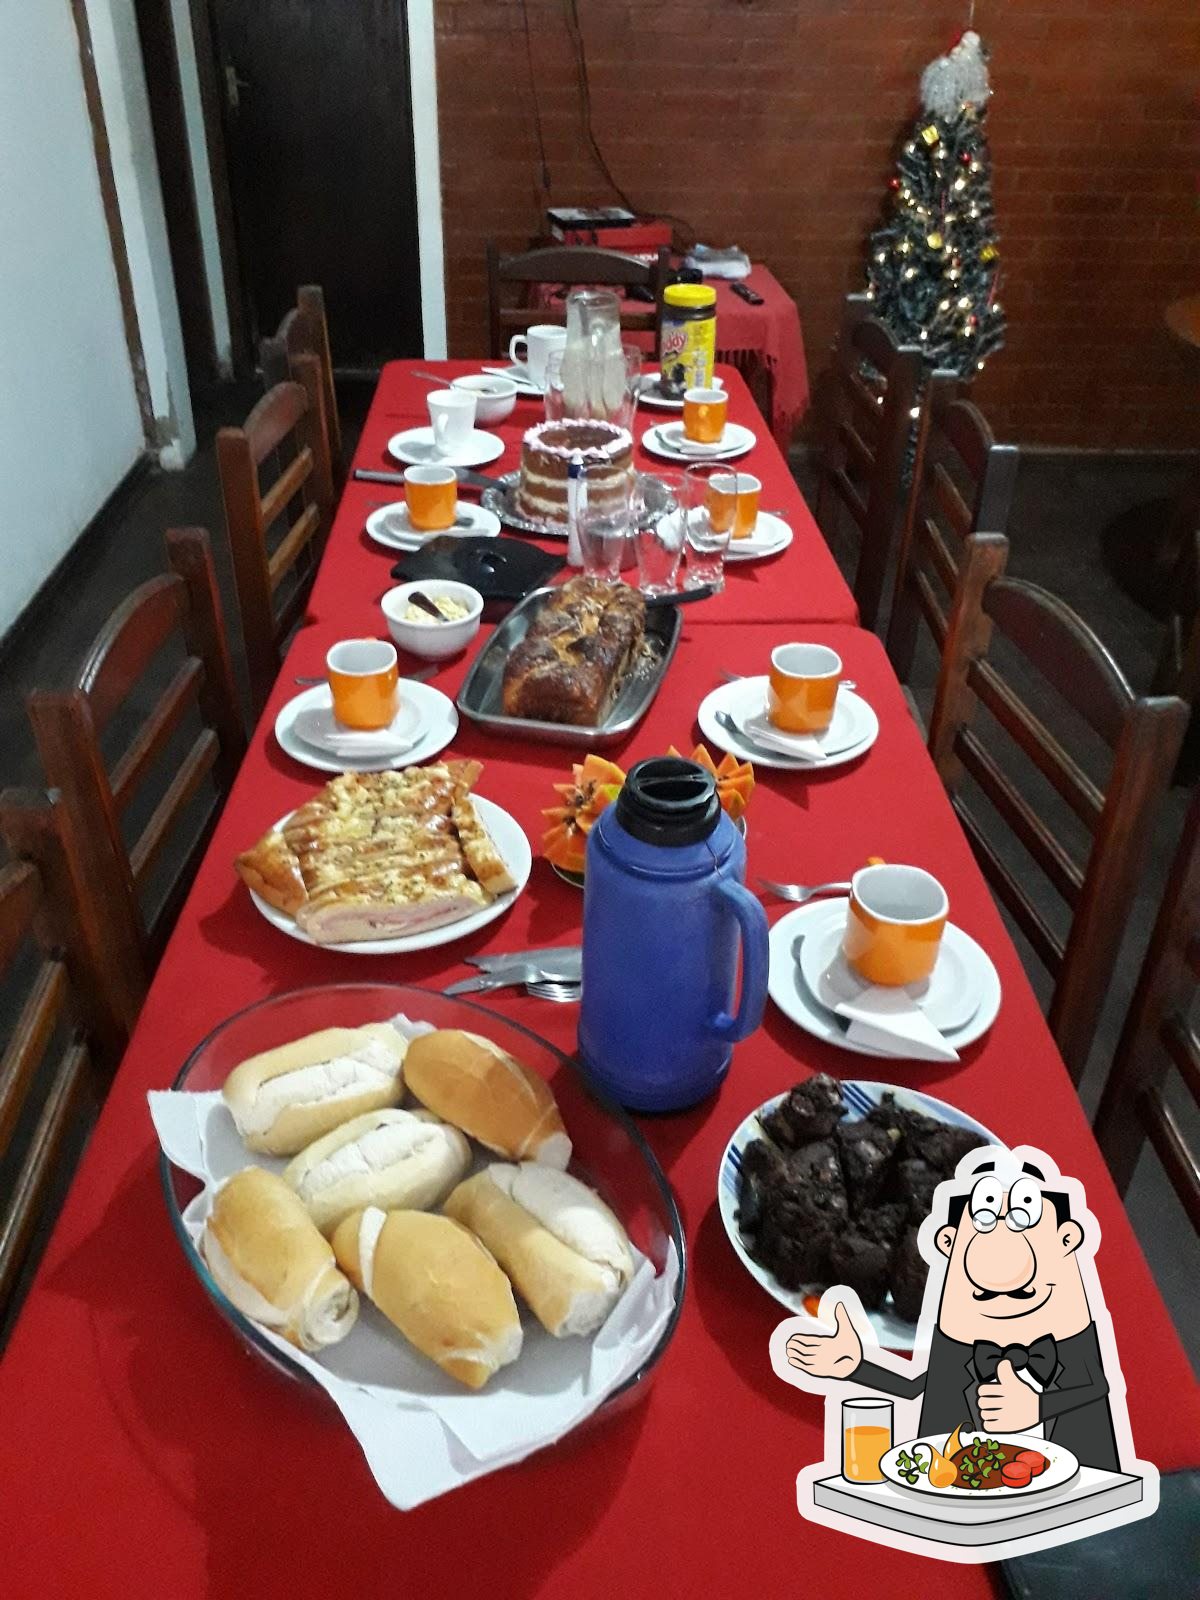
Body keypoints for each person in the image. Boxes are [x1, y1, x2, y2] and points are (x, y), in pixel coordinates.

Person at [786, 1148, 1121, 1471]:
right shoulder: (962, 1323)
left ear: (1066, 1240)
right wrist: (857, 1367)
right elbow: (921, 1387)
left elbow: (1096, 1389)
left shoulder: (1064, 1324)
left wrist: (1039, 1407)